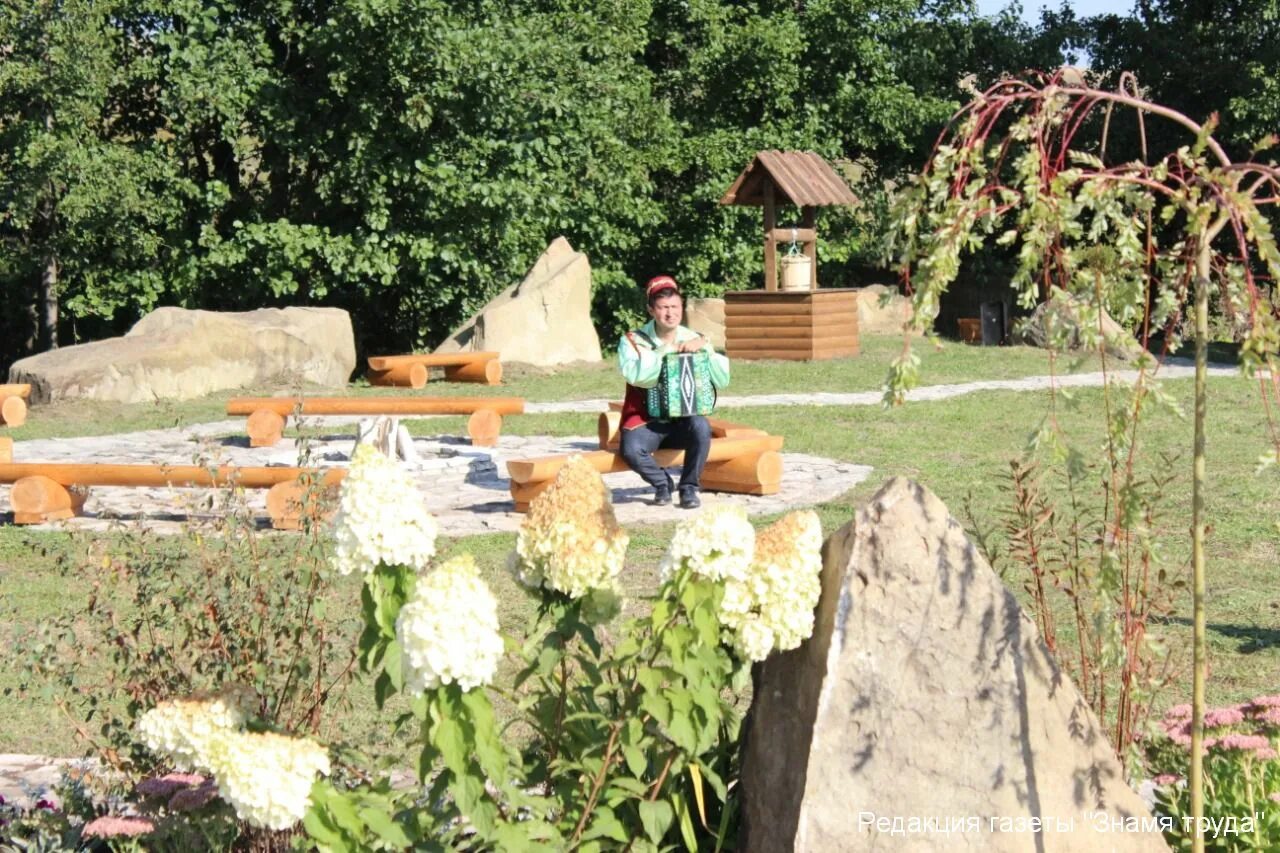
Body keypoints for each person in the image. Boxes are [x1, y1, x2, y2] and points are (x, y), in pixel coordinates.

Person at [616, 275, 730, 509]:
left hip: (682, 422)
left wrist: (706, 352)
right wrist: (663, 351)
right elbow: (637, 376)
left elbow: (723, 379)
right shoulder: (633, 341)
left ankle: (689, 488)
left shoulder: (695, 339)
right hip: (647, 422)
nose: (670, 313)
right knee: (630, 449)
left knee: (701, 427)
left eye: (675, 306)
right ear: (651, 310)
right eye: (663, 307)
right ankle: (662, 483)